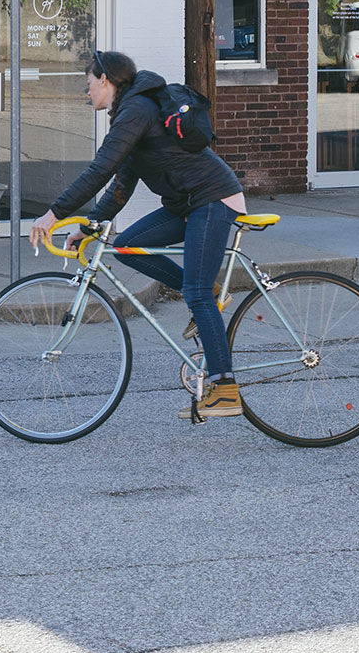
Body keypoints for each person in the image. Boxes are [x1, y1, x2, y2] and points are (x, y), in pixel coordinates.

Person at [29, 51, 249, 421]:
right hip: (189, 203)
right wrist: (89, 225)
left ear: (106, 80)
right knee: (127, 247)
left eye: (89, 82)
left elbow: (101, 169)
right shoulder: (132, 113)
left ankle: (225, 389)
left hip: (212, 199)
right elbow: (121, 183)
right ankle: (208, 292)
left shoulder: (137, 110)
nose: (86, 90)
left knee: (194, 291)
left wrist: (54, 214)